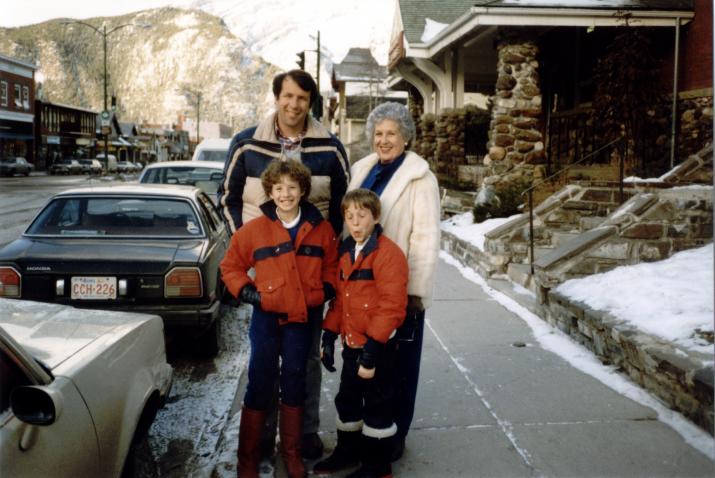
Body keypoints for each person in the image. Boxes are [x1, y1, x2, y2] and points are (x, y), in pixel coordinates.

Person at [218, 69, 350, 459]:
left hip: (308, 275)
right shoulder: (246, 144)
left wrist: (325, 276)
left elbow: (343, 209)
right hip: (264, 275)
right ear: (276, 97)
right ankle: (259, 441)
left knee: (304, 362)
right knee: (262, 361)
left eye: (303, 99)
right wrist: (249, 252)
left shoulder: (330, 147)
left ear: (311, 103)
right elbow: (227, 198)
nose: (294, 105)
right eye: (288, 96)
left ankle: (302, 437)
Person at [220, 160, 339, 478]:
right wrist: (250, 295)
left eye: (291, 187)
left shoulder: (321, 229)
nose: (285, 194)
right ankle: (248, 458)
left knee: (296, 380)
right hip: (266, 317)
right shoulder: (255, 229)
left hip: (302, 317)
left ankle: (292, 453)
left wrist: (320, 293)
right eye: (278, 188)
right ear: (270, 192)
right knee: (260, 379)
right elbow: (230, 267)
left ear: (302, 190)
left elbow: (332, 268)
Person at [347, 102, 441, 461]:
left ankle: (394, 437)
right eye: (379, 133)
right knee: (365, 366)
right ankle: (366, 435)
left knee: (399, 368)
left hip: (397, 290)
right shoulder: (362, 170)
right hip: (362, 288)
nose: (384, 140)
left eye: (391, 134)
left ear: (406, 138)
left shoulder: (420, 178)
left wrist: (414, 293)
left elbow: (426, 238)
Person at [314, 189, 408, 478]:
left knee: (377, 405)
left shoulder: (388, 254)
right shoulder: (346, 251)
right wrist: (329, 335)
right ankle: (349, 451)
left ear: (376, 217)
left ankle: (377, 467)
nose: (355, 223)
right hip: (353, 345)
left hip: (376, 348)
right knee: (348, 399)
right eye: (349, 216)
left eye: (362, 216)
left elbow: (392, 306)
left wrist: (371, 353)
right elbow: (341, 300)